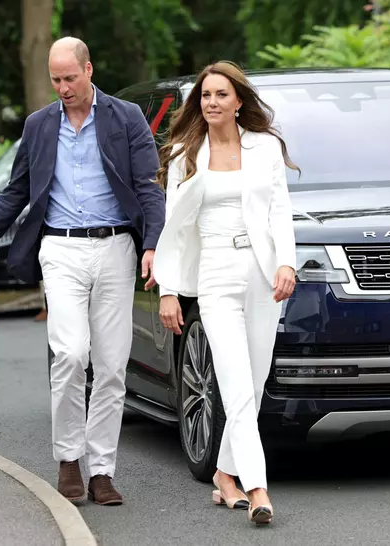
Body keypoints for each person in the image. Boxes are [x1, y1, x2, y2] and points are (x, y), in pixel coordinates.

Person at [0, 37, 165, 505]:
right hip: (60, 249)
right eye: (55, 79)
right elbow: (16, 192)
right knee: (70, 353)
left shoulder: (126, 117)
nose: (62, 87)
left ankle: (101, 470)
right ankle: (68, 457)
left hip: (117, 247)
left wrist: (153, 244)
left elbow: (148, 186)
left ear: (89, 69)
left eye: (69, 78)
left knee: (112, 365)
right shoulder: (39, 125)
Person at [151, 61, 298, 525]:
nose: (211, 102)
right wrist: (169, 291)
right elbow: (175, 227)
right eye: (205, 95)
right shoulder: (185, 153)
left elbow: (279, 210)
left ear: (238, 102)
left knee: (252, 385)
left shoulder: (265, 147)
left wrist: (286, 262)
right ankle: (258, 489)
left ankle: (224, 473)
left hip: (261, 273)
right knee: (234, 383)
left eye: (220, 94)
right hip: (214, 274)